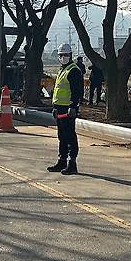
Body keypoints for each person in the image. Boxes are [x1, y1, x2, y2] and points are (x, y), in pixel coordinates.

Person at [47, 43, 84, 175]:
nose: (63, 57)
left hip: (68, 109)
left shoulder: (73, 71)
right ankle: (61, 160)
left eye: (66, 55)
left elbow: (77, 91)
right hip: (59, 108)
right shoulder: (62, 70)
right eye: (61, 55)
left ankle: (72, 163)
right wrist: (54, 107)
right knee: (61, 136)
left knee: (70, 136)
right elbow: (58, 90)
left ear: (71, 56)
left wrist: (73, 106)